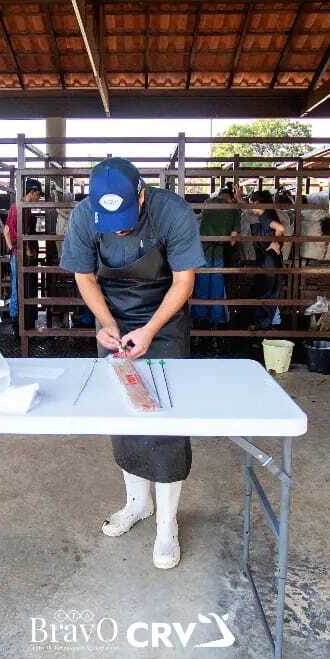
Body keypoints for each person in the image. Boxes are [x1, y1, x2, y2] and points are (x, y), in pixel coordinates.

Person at [60, 158, 204, 569]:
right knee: (122, 413)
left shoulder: (172, 212)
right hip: (116, 317)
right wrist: (107, 325)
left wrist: (151, 329)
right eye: (112, 223)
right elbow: (85, 277)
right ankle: (137, 504)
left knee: (167, 421)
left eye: (125, 219)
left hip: (165, 318)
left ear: (141, 195)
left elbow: (183, 281)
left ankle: (167, 524)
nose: (119, 230)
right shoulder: (85, 216)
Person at [192, 184, 240, 327]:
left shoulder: (207, 204)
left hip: (202, 251)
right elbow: (233, 241)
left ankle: (199, 321)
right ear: (230, 198)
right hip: (218, 252)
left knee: (201, 284)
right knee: (217, 286)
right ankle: (217, 322)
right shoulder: (234, 211)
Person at [4, 178, 43, 327]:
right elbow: (8, 231)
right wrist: (16, 250)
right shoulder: (18, 208)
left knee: (21, 285)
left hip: (20, 253)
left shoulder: (23, 207)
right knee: (17, 286)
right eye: (38, 194)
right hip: (19, 254)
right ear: (31, 192)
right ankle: (16, 321)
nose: (38, 198)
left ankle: (22, 319)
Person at [248, 189, 287, 330]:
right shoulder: (266, 214)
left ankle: (265, 325)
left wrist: (275, 242)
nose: (249, 206)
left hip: (269, 261)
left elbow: (280, 228)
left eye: (251, 203)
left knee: (266, 291)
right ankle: (273, 324)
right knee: (269, 290)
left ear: (258, 203)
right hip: (268, 260)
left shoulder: (265, 216)